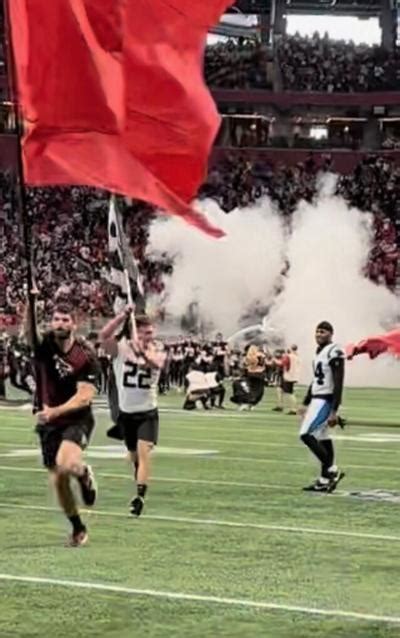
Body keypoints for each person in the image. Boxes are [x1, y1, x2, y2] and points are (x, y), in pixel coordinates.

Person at [26, 301, 99, 547]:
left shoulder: (85, 354)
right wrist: (31, 302)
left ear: (74, 324)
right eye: (56, 319)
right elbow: (30, 332)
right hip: (49, 423)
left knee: (66, 465)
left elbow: (85, 396)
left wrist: (55, 411)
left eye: (65, 320)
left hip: (76, 418)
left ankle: (83, 473)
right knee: (58, 480)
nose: (60, 323)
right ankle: (78, 527)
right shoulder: (44, 346)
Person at [100, 306, 165, 517]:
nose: (150, 335)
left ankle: (140, 497)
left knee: (144, 454)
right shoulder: (120, 348)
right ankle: (138, 478)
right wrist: (122, 315)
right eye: (145, 332)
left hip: (148, 412)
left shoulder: (156, 348)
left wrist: (142, 354)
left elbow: (155, 365)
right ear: (135, 332)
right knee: (134, 456)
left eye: (151, 331)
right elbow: (104, 335)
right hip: (126, 413)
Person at [298, 321, 345, 493]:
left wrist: (334, 410)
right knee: (323, 437)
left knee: (306, 434)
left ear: (331, 334)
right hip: (317, 398)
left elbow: (339, 381)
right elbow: (316, 380)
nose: (319, 334)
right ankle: (324, 480)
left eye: (323, 332)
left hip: (325, 399)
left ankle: (332, 470)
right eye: (317, 331)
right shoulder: (319, 352)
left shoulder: (334, 351)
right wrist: (305, 401)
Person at [281, 345, 301, 415]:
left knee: (289, 393)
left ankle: (293, 408)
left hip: (289, 376)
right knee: (290, 392)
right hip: (295, 376)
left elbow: (284, 364)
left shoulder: (289, 356)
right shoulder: (297, 356)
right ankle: (293, 408)